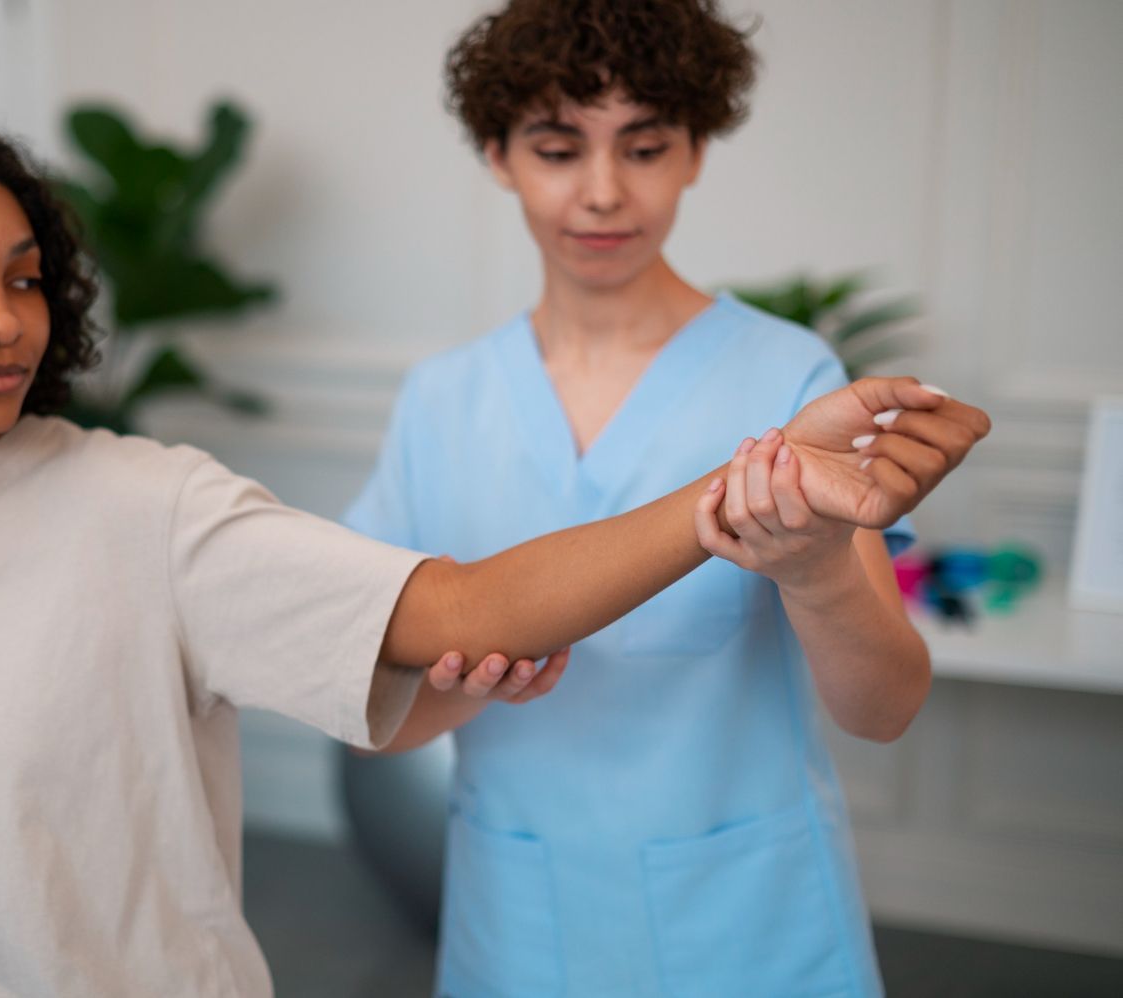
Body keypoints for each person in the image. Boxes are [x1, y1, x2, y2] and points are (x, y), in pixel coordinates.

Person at [0, 108, 984, 998]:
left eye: (27, 276)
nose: (1, 320)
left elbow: (454, 601)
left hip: (741, 906)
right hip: (518, 917)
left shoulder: (141, 509)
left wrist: (756, 495)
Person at [344, 1, 959, 995]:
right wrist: (468, 676)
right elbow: (373, 711)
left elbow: (885, 706)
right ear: (498, 155)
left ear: (696, 151)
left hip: (746, 925)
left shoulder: (790, 375)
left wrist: (811, 572)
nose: (601, 194)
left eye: (643, 146)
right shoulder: (442, 400)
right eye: (556, 148)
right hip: (520, 923)